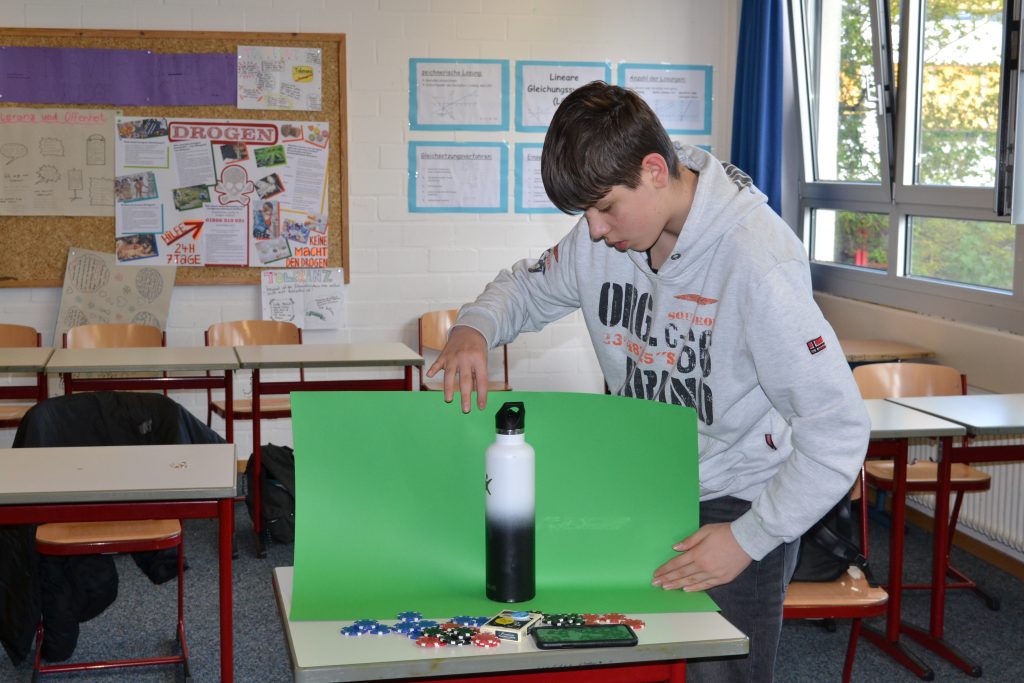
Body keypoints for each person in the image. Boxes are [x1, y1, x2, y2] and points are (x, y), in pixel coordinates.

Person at [426, 81, 869, 682]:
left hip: (739, 498)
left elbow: (837, 430)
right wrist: (473, 328)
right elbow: (526, 286)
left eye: (605, 208)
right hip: (645, 480)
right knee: (628, 651)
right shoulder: (604, 234)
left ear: (655, 170)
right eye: (585, 214)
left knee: (719, 670)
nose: (596, 230)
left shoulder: (757, 263)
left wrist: (747, 537)